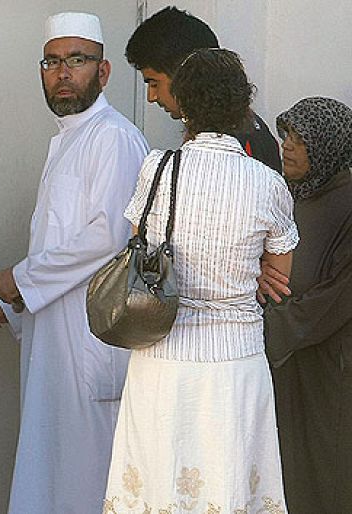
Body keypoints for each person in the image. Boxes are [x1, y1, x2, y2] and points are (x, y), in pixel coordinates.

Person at [0, 12, 149, 514]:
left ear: (103, 72)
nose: (62, 73)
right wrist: (14, 311)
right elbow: (67, 256)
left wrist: (17, 280)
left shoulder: (112, 137)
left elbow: (108, 237)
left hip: (92, 352)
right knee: (53, 481)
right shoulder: (68, 140)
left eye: (76, 60)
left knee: (89, 483)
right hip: (57, 351)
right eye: (51, 62)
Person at [103, 49, 296, 513]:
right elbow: (278, 278)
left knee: (156, 489)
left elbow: (138, 247)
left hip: (160, 354)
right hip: (234, 362)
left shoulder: (156, 169)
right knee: (228, 489)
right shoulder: (268, 182)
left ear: (184, 105)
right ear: (242, 108)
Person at [262, 97, 352, 513]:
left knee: (330, 468)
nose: (288, 147)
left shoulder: (348, 202)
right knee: (288, 468)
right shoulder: (288, 197)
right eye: (285, 136)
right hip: (287, 360)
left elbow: (338, 293)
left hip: (331, 366)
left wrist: (274, 326)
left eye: (300, 138)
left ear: (327, 143)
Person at [125, 5, 282, 172]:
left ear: (186, 73)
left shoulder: (231, 144)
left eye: (154, 83)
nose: (151, 97)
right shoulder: (239, 127)